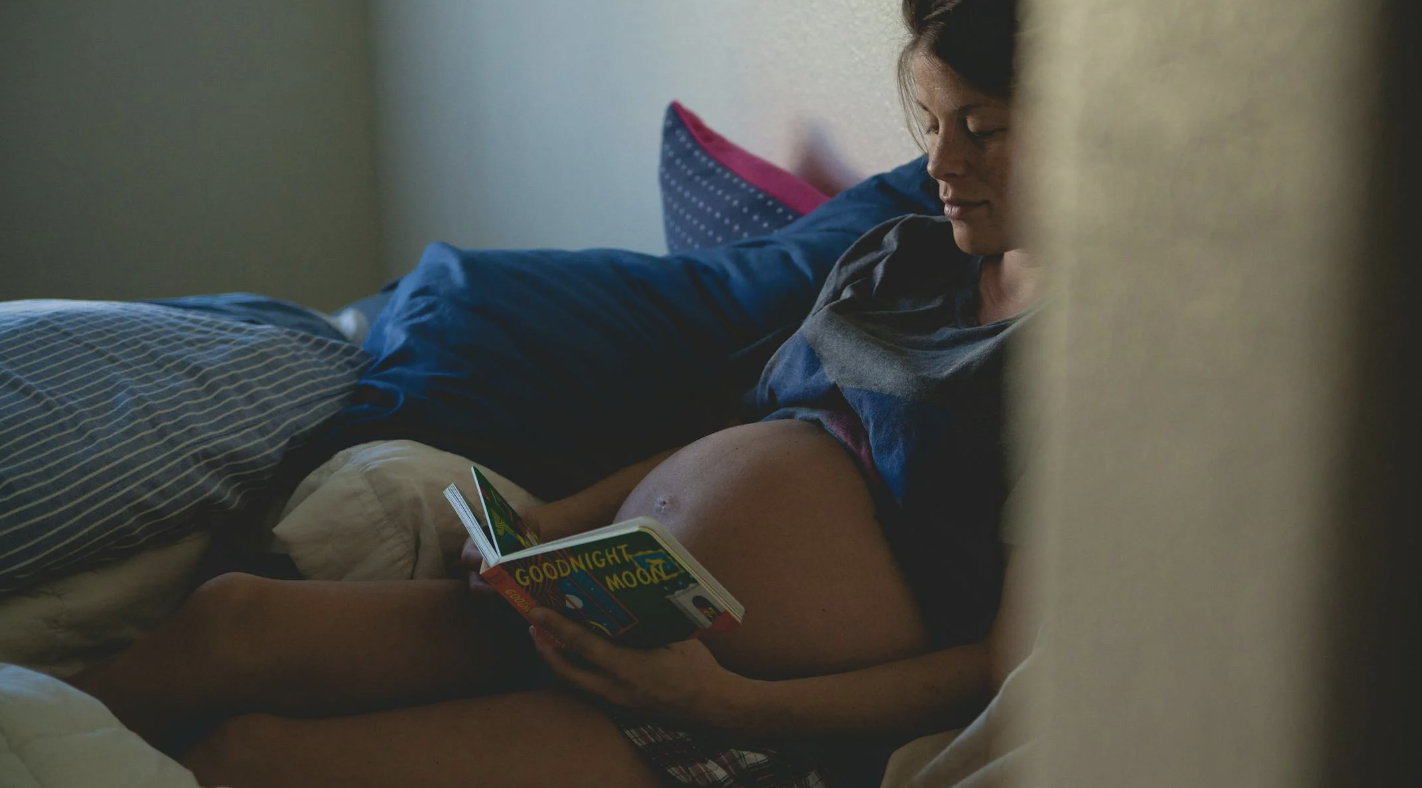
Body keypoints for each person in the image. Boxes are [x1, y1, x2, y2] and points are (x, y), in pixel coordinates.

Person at [69, 1, 1040, 785]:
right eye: (931, 126)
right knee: (233, 619)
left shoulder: (1087, 376)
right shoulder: (904, 256)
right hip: (601, 603)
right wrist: (549, 524)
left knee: (256, 759)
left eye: (981, 130)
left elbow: (1001, 665)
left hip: (749, 711)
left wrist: (717, 702)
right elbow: (762, 426)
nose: (941, 167)